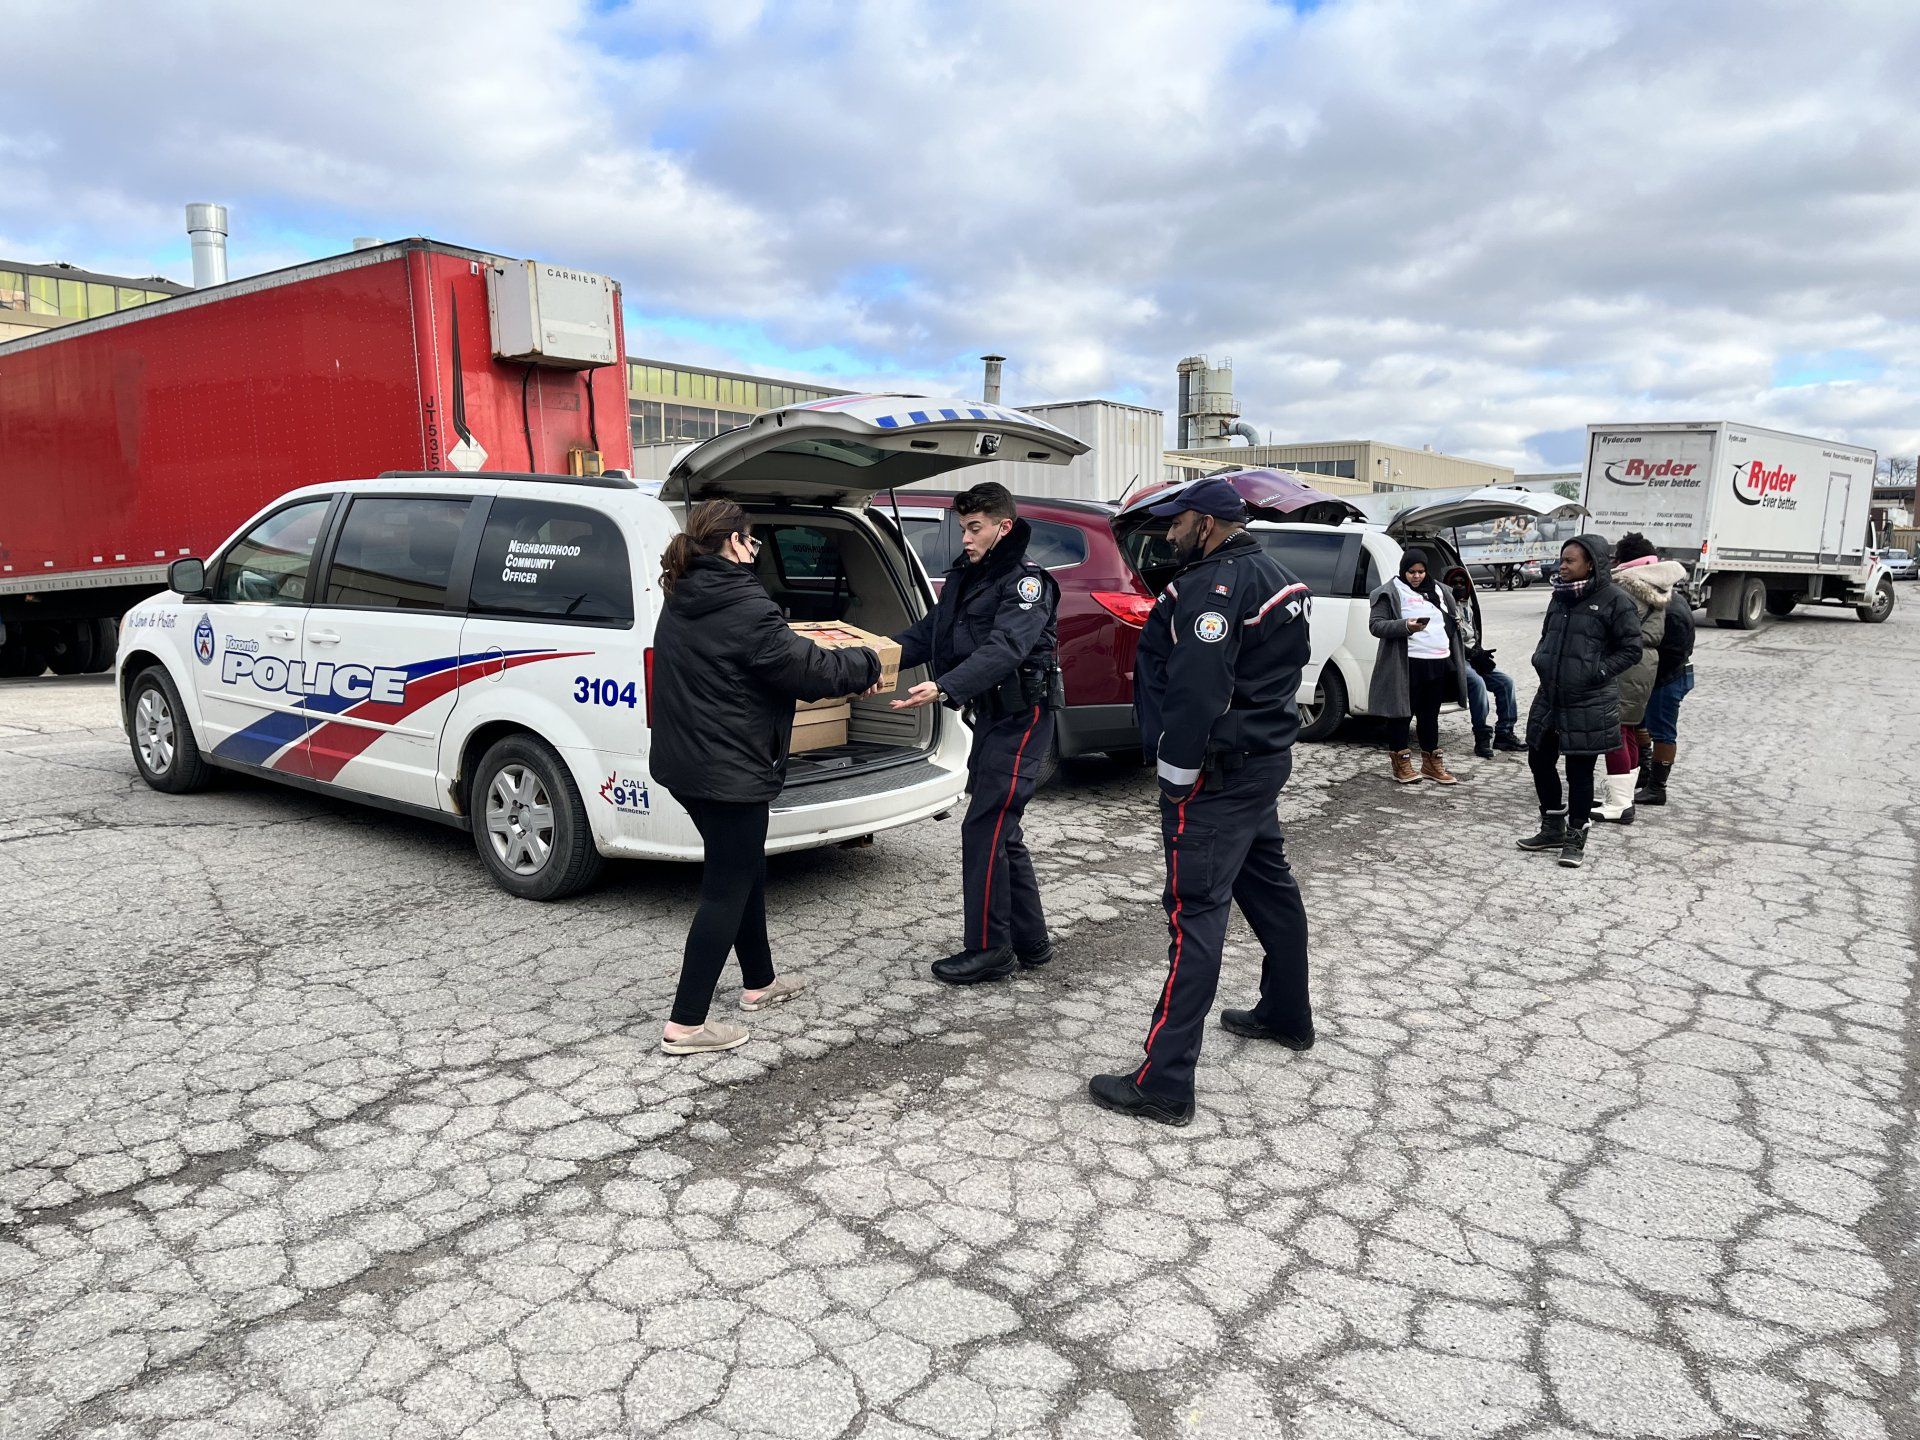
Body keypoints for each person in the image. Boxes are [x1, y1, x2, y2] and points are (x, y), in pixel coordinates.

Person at [1088, 476, 1315, 1126]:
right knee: (1269, 889)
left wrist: (1176, 774)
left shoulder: (1214, 587)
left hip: (1216, 775)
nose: (1168, 534)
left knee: (1195, 913)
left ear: (1206, 524)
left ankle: (1164, 1082)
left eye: (1176, 523)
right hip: (1259, 764)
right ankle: (1286, 1013)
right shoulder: (1274, 574)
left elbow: (1197, 688)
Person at [649, 500, 882, 1055]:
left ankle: (760, 982)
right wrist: (869, 662)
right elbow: (809, 669)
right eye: (752, 540)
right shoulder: (742, 603)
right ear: (734, 542)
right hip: (728, 769)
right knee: (726, 889)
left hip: (689, 762)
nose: (755, 550)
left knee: (744, 867)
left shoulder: (685, 592)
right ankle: (686, 1024)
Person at [889, 481, 1060, 985]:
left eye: (975, 528)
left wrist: (944, 687)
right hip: (990, 717)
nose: (965, 538)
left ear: (1003, 527)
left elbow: (1005, 648)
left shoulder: (1027, 583)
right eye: (963, 527)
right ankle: (1031, 942)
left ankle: (989, 949)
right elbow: (928, 635)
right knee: (1002, 829)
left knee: (985, 827)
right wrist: (869, 657)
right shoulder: (968, 577)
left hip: (1023, 719)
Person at [1516, 535, 1643, 868]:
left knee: (1579, 772)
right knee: (1539, 759)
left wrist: (1597, 671)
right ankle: (1552, 827)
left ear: (1591, 564)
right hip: (1550, 695)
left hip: (1589, 699)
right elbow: (1547, 635)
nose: (1562, 566)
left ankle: (1575, 836)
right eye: (1562, 559)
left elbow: (1632, 649)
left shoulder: (1616, 600)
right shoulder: (1560, 596)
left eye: (1570, 560)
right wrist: (1541, 658)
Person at [1593, 533, 1687, 824]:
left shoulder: (1627, 587)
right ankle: (1625, 795)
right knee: (1630, 729)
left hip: (1626, 664)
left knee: (1615, 731)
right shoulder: (1657, 585)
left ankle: (1619, 804)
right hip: (1645, 664)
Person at [1367, 548, 1469, 785]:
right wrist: (1405, 626)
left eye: (1421, 571)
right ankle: (1401, 764)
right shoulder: (1389, 592)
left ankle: (1431, 764)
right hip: (1407, 663)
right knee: (1401, 715)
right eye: (1411, 572)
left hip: (1438, 661)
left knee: (1429, 716)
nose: (1416, 576)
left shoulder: (1440, 590)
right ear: (1403, 570)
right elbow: (1376, 625)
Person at [1443, 567, 1523, 758]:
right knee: (1477, 684)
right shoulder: (1444, 608)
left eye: (1462, 583)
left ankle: (1504, 733)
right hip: (1456, 658)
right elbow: (1447, 641)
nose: (1459, 586)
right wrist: (1471, 654)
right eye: (1454, 583)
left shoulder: (1467, 606)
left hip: (1473, 656)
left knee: (1506, 682)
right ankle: (1482, 736)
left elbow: (1474, 635)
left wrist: (1481, 653)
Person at [1635, 575, 1696, 806]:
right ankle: (1645, 772)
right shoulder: (1668, 602)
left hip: (1668, 678)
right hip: (1663, 675)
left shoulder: (1672, 610)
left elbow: (1675, 653)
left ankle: (1657, 787)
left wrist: (1650, 676)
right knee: (1640, 722)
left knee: (1663, 733)